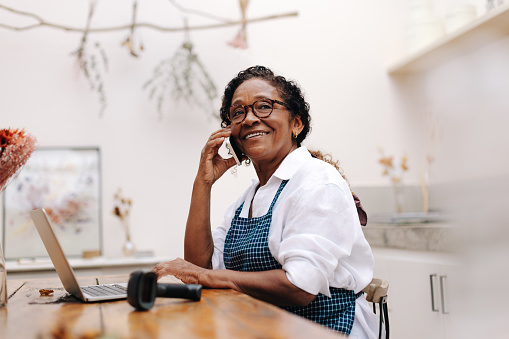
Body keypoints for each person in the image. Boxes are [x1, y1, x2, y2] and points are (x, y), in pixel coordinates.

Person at [152, 65, 380, 337]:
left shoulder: (317, 182)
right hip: (266, 327)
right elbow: (201, 266)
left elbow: (299, 287)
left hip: (324, 328)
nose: (249, 119)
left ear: (297, 123)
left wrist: (204, 277)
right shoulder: (250, 196)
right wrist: (203, 183)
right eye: (238, 112)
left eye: (264, 106)